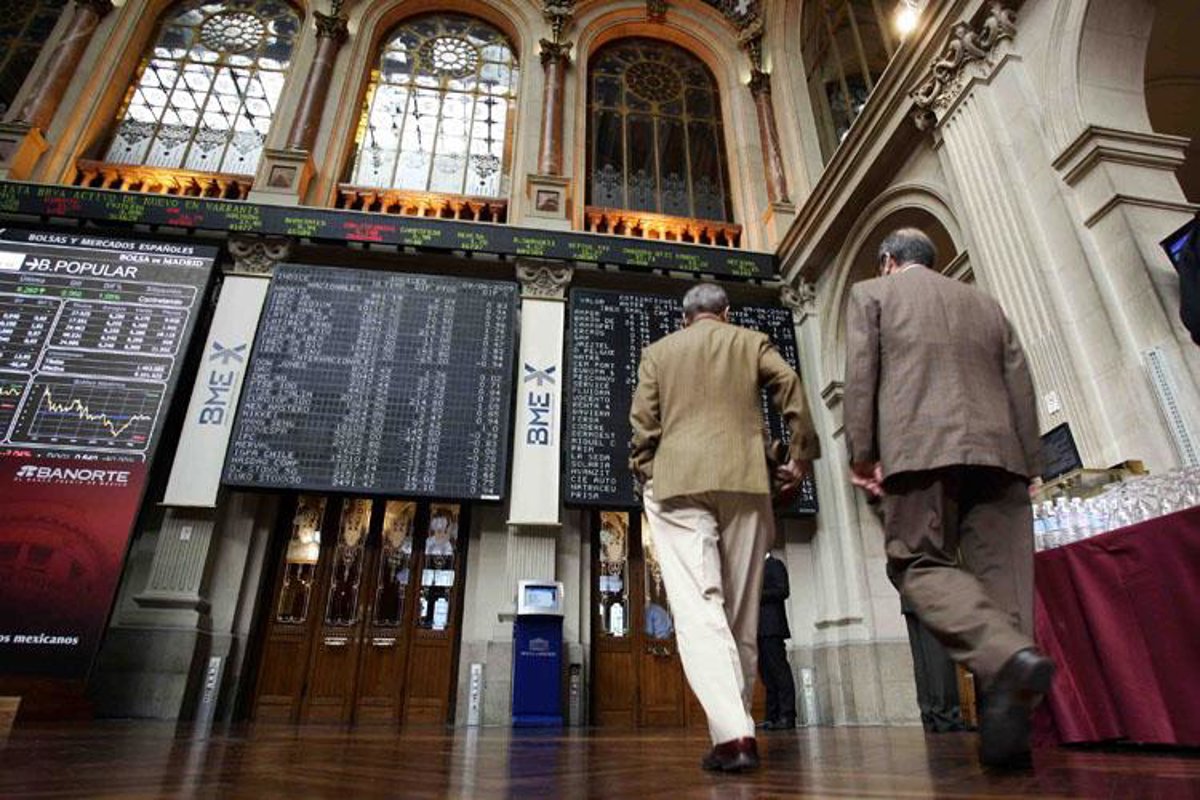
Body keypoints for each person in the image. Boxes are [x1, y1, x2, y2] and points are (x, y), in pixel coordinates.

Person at [843, 227, 1054, 769]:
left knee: (917, 561)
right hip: (1001, 454)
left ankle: (1009, 659)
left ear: (887, 261)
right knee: (1004, 584)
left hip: (920, 449)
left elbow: (861, 376)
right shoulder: (985, 303)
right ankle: (1009, 738)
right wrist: (1033, 464)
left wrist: (862, 454)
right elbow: (1020, 382)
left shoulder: (872, 294)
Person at [630, 282, 819, 773]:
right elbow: (789, 384)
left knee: (700, 606)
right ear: (727, 313)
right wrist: (800, 455)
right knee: (741, 614)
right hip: (745, 479)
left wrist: (646, 469)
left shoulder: (658, 353)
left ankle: (734, 735)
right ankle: (734, 729)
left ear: (684, 318)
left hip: (677, 484)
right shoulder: (750, 341)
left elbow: (643, 423)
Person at [757, 550, 797, 730]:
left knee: (780, 673)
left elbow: (783, 590)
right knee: (766, 675)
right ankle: (771, 717)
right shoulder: (754, 569)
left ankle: (787, 716)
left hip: (772, 627)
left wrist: (756, 594)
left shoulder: (775, 565)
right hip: (758, 629)